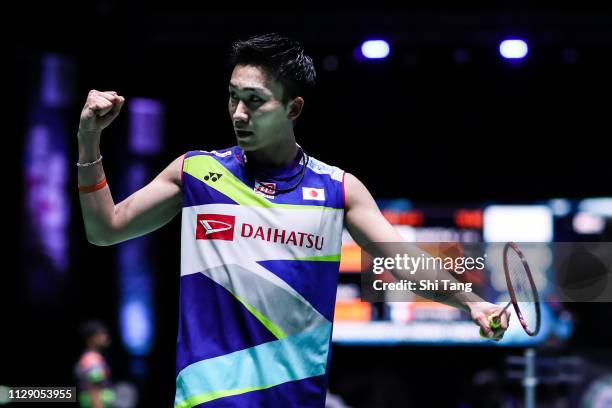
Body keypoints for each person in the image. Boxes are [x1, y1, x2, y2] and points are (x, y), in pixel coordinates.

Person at [76, 33, 509, 408]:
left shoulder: (338, 189)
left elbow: (402, 261)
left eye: (255, 101)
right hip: (206, 399)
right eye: (233, 97)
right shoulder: (198, 173)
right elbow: (104, 229)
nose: (239, 114)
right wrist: (88, 139)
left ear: (293, 108)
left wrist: (472, 302)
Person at [74, 320, 115, 408]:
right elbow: (94, 388)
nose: (106, 337)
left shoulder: (92, 357)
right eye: (102, 334)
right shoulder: (92, 359)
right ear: (91, 338)